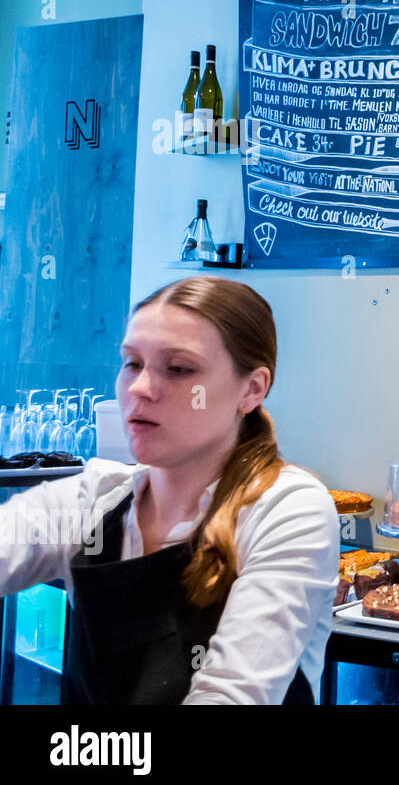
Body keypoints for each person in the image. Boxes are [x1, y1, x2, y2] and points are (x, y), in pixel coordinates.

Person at [0, 276, 338, 703]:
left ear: (252, 389)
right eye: (132, 364)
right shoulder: (97, 498)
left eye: (178, 369)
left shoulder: (287, 510)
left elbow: (231, 696)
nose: (140, 388)